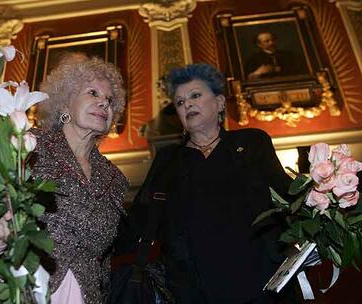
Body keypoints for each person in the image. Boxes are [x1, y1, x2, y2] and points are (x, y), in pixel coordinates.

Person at [0, 53, 129, 304]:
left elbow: (105, 260)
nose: (104, 104)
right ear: (65, 103)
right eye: (93, 93)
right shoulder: (26, 143)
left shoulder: (116, 179)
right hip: (1, 285)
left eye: (110, 99)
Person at [115, 63, 297, 304]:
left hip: (262, 284)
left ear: (220, 103)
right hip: (194, 290)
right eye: (180, 102)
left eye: (195, 95)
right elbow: (138, 220)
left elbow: (290, 198)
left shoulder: (252, 143)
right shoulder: (168, 160)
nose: (187, 104)